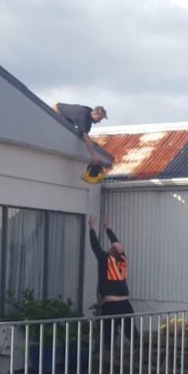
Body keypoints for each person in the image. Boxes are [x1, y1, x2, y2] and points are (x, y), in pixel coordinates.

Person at [88, 214, 136, 346]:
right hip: (125, 303)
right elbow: (116, 242)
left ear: (111, 250)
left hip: (111, 304)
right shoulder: (124, 259)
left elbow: (95, 246)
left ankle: (108, 357)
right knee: (131, 332)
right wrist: (107, 228)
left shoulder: (106, 259)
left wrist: (92, 228)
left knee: (109, 333)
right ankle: (141, 352)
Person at [53, 103, 108, 184]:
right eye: (99, 118)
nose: (99, 121)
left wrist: (91, 142)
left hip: (63, 113)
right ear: (94, 113)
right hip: (56, 111)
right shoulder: (85, 117)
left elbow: (84, 134)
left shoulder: (88, 112)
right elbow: (85, 136)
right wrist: (93, 156)